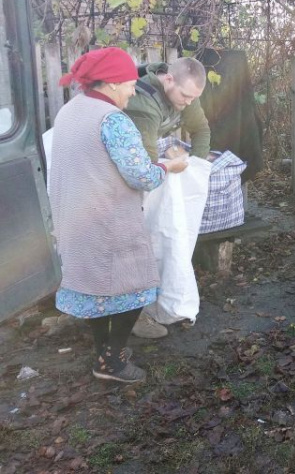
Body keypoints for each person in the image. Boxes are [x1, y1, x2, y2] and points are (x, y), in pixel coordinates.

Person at [49, 47, 188, 383]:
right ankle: (111, 363)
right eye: (128, 84)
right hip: (107, 222)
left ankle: (104, 353)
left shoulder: (69, 111)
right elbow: (141, 175)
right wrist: (169, 165)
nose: (131, 90)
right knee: (135, 286)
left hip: (74, 218)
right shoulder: (113, 120)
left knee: (96, 290)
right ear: (111, 84)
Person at [123, 56, 210, 338]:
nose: (187, 102)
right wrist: (170, 169)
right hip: (117, 169)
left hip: (142, 161)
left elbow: (201, 129)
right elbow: (145, 166)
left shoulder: (187, 93)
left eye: (193, 97)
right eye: (185, 96)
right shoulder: (143, 103)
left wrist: (195, 168)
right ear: (168, 80)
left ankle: (147, 299)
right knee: (132, 242)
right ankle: (130, 314)